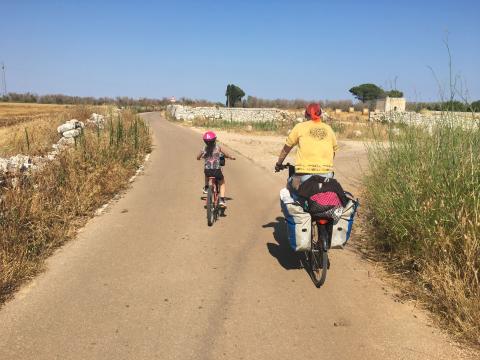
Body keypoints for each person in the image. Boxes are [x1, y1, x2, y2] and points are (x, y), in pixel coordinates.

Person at [275, 103, 338, 188]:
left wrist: (279, 164)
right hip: (327, 176)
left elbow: (286, 149)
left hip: (304, 176)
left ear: (305, 114)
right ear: (320, 114)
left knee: (289, 188)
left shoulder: (299, 127)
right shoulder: (329, 129)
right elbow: (333, 152)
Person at [197, 131, 235, 208]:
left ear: (205, 141)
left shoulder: (204, 148)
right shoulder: (218, 148)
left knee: (206, 173)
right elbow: (226, 154)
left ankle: (206, 187)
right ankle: (222, 200)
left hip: (208, 171)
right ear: (214, 140)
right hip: (217, 171)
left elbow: (198, 157)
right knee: (222, 183)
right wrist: (231, 157)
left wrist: (199, 158)